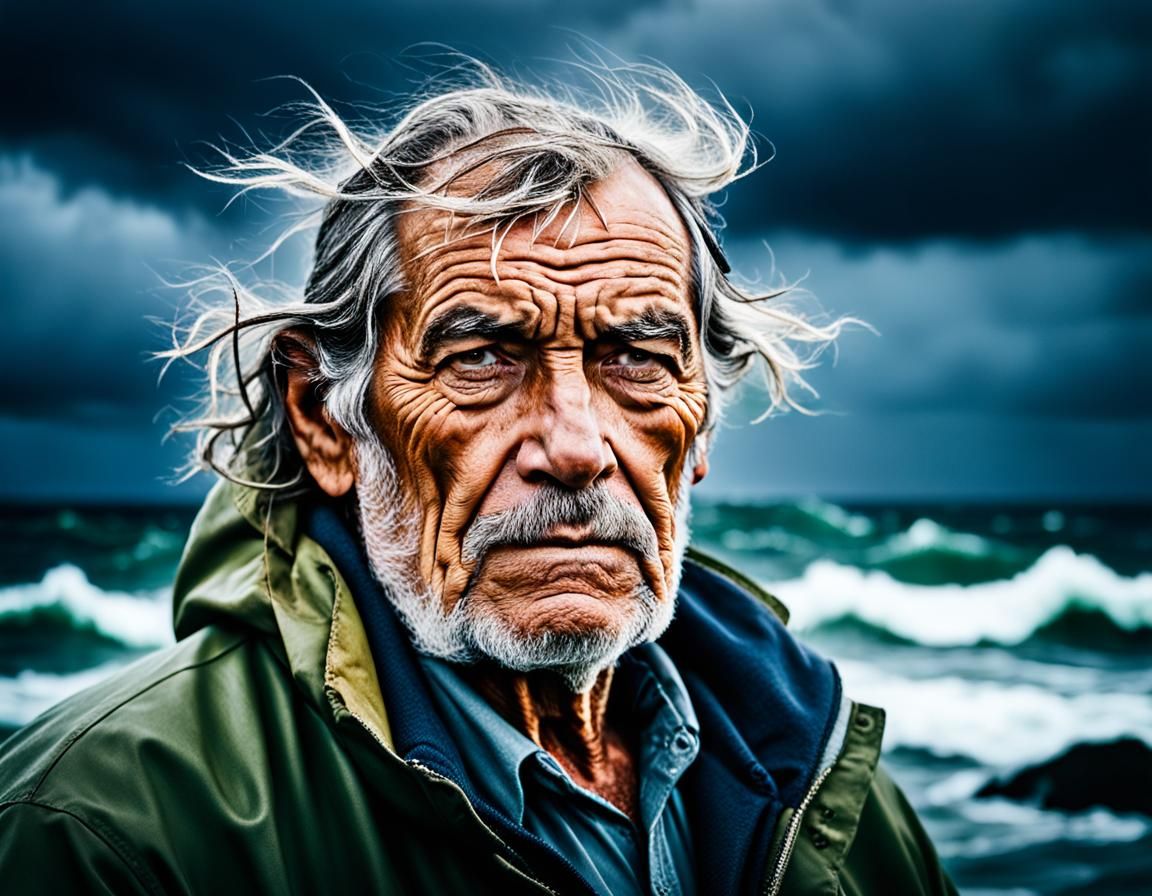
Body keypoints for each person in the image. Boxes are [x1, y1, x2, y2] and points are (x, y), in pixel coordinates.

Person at [0, 59, 956, 895]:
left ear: (699, 420)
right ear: (324, 417)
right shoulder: (103, 829)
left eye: (637, 358)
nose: (577, 445)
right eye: (483, 359)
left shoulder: (821, 787)